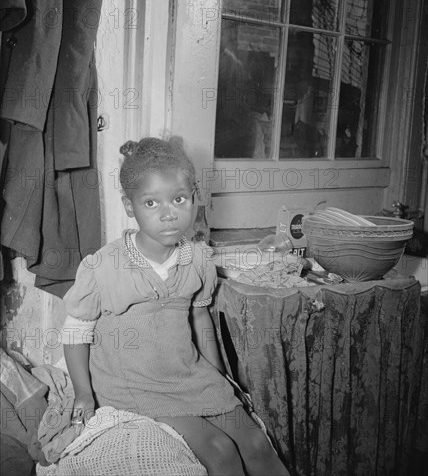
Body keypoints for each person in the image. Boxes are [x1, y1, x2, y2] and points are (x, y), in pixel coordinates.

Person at [62, 136, 290, 476]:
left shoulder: (197, 260)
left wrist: (220, 376)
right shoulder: (104, 266)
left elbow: (201, 319)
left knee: (257, 445)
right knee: (220, 451)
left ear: (194, 199)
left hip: (187, 373)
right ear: (129, 206)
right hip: (133, 383)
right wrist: (83, 393)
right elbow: (76, 332)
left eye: (179, 199)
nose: (169, 215)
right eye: (151, 204)